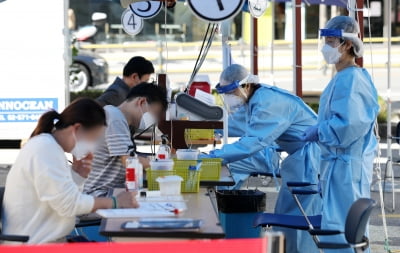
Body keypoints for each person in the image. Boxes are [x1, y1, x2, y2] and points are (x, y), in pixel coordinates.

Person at [202, 64, 322, 253]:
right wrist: (204, 127)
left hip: (311, 158)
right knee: (287, 214)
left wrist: (212, 157)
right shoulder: (255, 99)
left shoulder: (268, 102)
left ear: (246, 85)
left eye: (232, 92)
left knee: (300, 217)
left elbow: (252, 142)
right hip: (300, 157)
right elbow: (234, 124)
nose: (230, 98)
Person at [2, 98, 139, 244]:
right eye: (93, 139)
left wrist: (77, 175)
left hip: (49, 240)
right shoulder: (44, 149)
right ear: (77, 129)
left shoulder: (49, 146)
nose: (92, 146)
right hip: (36, 244)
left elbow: (58, 196)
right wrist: (114, 202)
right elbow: (69, 205)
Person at [303, 16, 379, 252]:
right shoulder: (345, 77)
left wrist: (319, 131)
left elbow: (348, 126)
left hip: (346, 170)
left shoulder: (353, 79)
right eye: (325, 40)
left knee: (343, 234)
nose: (326, 47)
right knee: (340, 229)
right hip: (339, 168)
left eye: (331, 41)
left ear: (347, 44)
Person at [84, 83, 168, 197]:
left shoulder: (116, 117)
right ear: (142, 102)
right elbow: (128, 160)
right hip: (99, 195)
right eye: (155, 114)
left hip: (109, 192)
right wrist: (161, 165)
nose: (154, 121)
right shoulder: (114, 117)